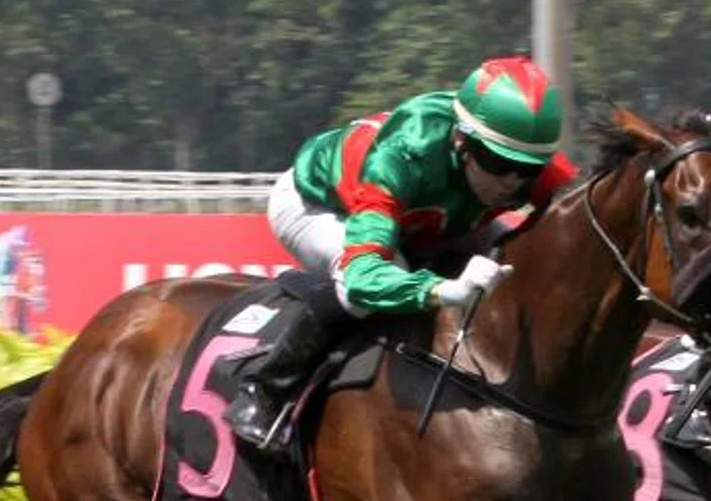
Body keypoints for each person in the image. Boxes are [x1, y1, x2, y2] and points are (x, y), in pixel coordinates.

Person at [227, 55, 576, 448]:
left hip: (433, 219)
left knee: (512, 261)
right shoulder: (402, 155)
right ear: (461, 140)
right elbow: (364, 277)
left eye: (527, 169)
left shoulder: (514, 151)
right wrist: (443, 290)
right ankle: (263, 391)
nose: (511, 181)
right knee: (378, 283)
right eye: (497, 162)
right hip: (322, 204)